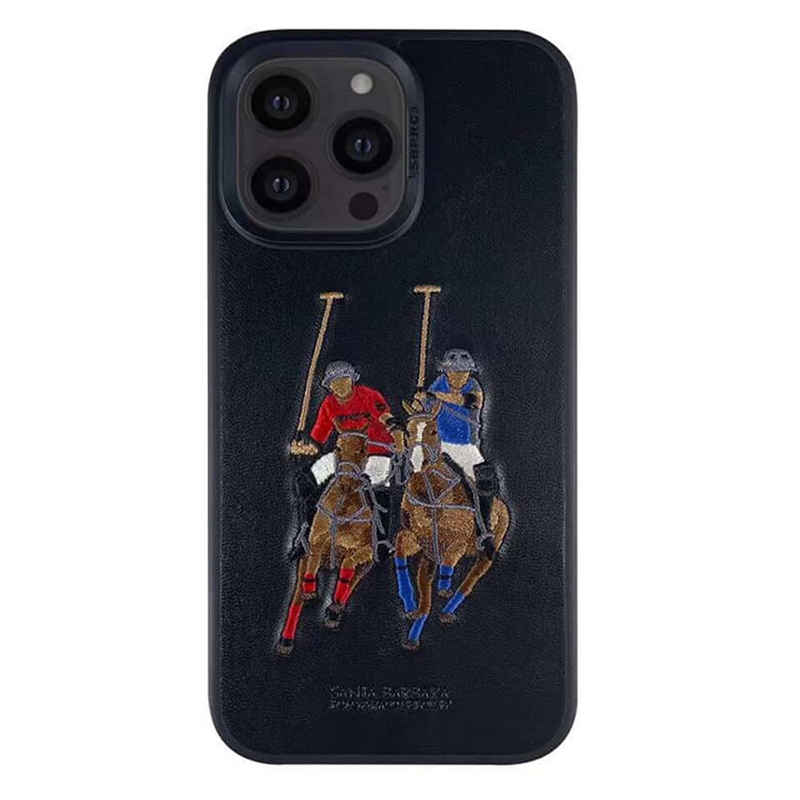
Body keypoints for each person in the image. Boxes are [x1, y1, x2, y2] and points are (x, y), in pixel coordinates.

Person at [289, 361, 403, 559]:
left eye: (344, 380)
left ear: (352, 380)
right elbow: (319, 438)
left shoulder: (369, 396)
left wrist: (395, 431)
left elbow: (385, 416)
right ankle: (307, 532)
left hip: (375, 451)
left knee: (377, 488)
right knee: (304, 480)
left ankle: (381, 541)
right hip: (345, 455)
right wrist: (305, 448)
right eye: (335, 383)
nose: (340, 386)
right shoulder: (328, 404)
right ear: (329, 386)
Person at [420, 349, 499, 553]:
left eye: (463, 373)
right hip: (439, 443)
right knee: (411, 467)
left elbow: (469, 402)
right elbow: (427, 411)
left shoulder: (474, 387)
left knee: (484, 479)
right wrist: (421, 400)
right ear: (446, 372)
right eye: (454, 373)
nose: (458, 377)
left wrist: (435, 396)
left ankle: (484, 531)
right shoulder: (438, 384)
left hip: (465, 447)